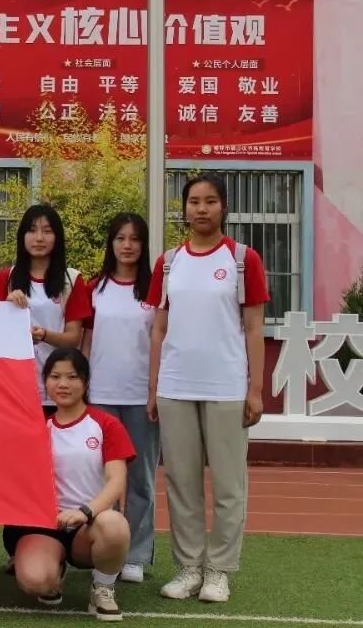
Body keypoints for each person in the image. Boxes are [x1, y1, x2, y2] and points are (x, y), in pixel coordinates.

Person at [147, 174, 268, 604]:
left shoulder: (242, 259)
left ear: (223, 207)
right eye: (194, 201)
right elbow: (159, 328)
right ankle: (189, 568)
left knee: (229, 485)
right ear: (184, 208)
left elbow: (254, 328)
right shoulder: (169, 263)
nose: (201, 208)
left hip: (227, 386)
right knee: (181, 483)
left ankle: (219, 570)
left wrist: (255, 389)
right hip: (175, 386)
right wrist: (153, 388)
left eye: (210, 201)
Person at [7, 347, 134, 622]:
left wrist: (85, 512)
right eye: (55, 377)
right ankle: (54, 571)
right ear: (45, 382)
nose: (63, 384)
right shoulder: (38, 428)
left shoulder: (106, 425)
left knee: (115, 525)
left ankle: (103, 587)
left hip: (90, 525)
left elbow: (117, 481)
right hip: (47, 526)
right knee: (36, 581)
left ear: (85, 382)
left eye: (72, 377)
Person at [81, 213, 158, 585]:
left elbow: (162, 340)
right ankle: (104, 550)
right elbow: (85, 341)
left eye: (135, 239)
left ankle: (137, 555)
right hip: (101, 396)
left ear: (144, 245)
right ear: (110, 243)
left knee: (141, 479)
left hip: (142, 397)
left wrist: (155, 392)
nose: (127, 245)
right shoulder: (95, 289)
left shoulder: (155, 290)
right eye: (120, 238)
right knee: (103, 480)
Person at [1, 204, 92, 412]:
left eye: (47, 231)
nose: (39, 238)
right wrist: (6, 309)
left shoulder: (71, 280)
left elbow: (73, 338)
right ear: (22, 236)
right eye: (32, 230)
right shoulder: (6, 278)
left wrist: (43, 335)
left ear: (57, 237)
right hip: (16, 388)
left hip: (58, 391)